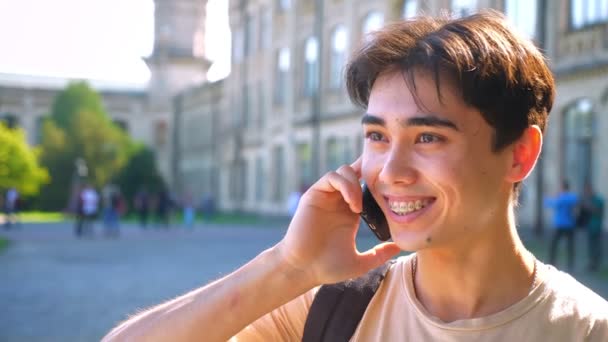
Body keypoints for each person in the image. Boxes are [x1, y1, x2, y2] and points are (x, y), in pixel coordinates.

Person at [103, 11, 608, 341]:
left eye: (428, 137)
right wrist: (287, 267)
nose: (390, 172)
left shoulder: (586, 329)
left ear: (519, 154)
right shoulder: (333, 308)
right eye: (377, 136)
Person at [545, 180, 579, 271]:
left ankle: (552, 262)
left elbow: (549, 203)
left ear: (562, 187)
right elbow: (577, 204)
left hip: (560, 224)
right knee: (570, 245)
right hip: (570, 224)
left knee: (554, 245)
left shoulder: (560, 198)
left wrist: (548, 196)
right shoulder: (573, 197)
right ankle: (571, 264)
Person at [579, 183, 605, 272]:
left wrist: (587, 206)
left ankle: (596, 264)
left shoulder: (598, 200)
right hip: (591, 226)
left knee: (596, 246)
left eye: (588, 191)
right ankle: (592, 264)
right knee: (591, 246)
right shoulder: (592, 199)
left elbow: (596, 211)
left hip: (596, 226)